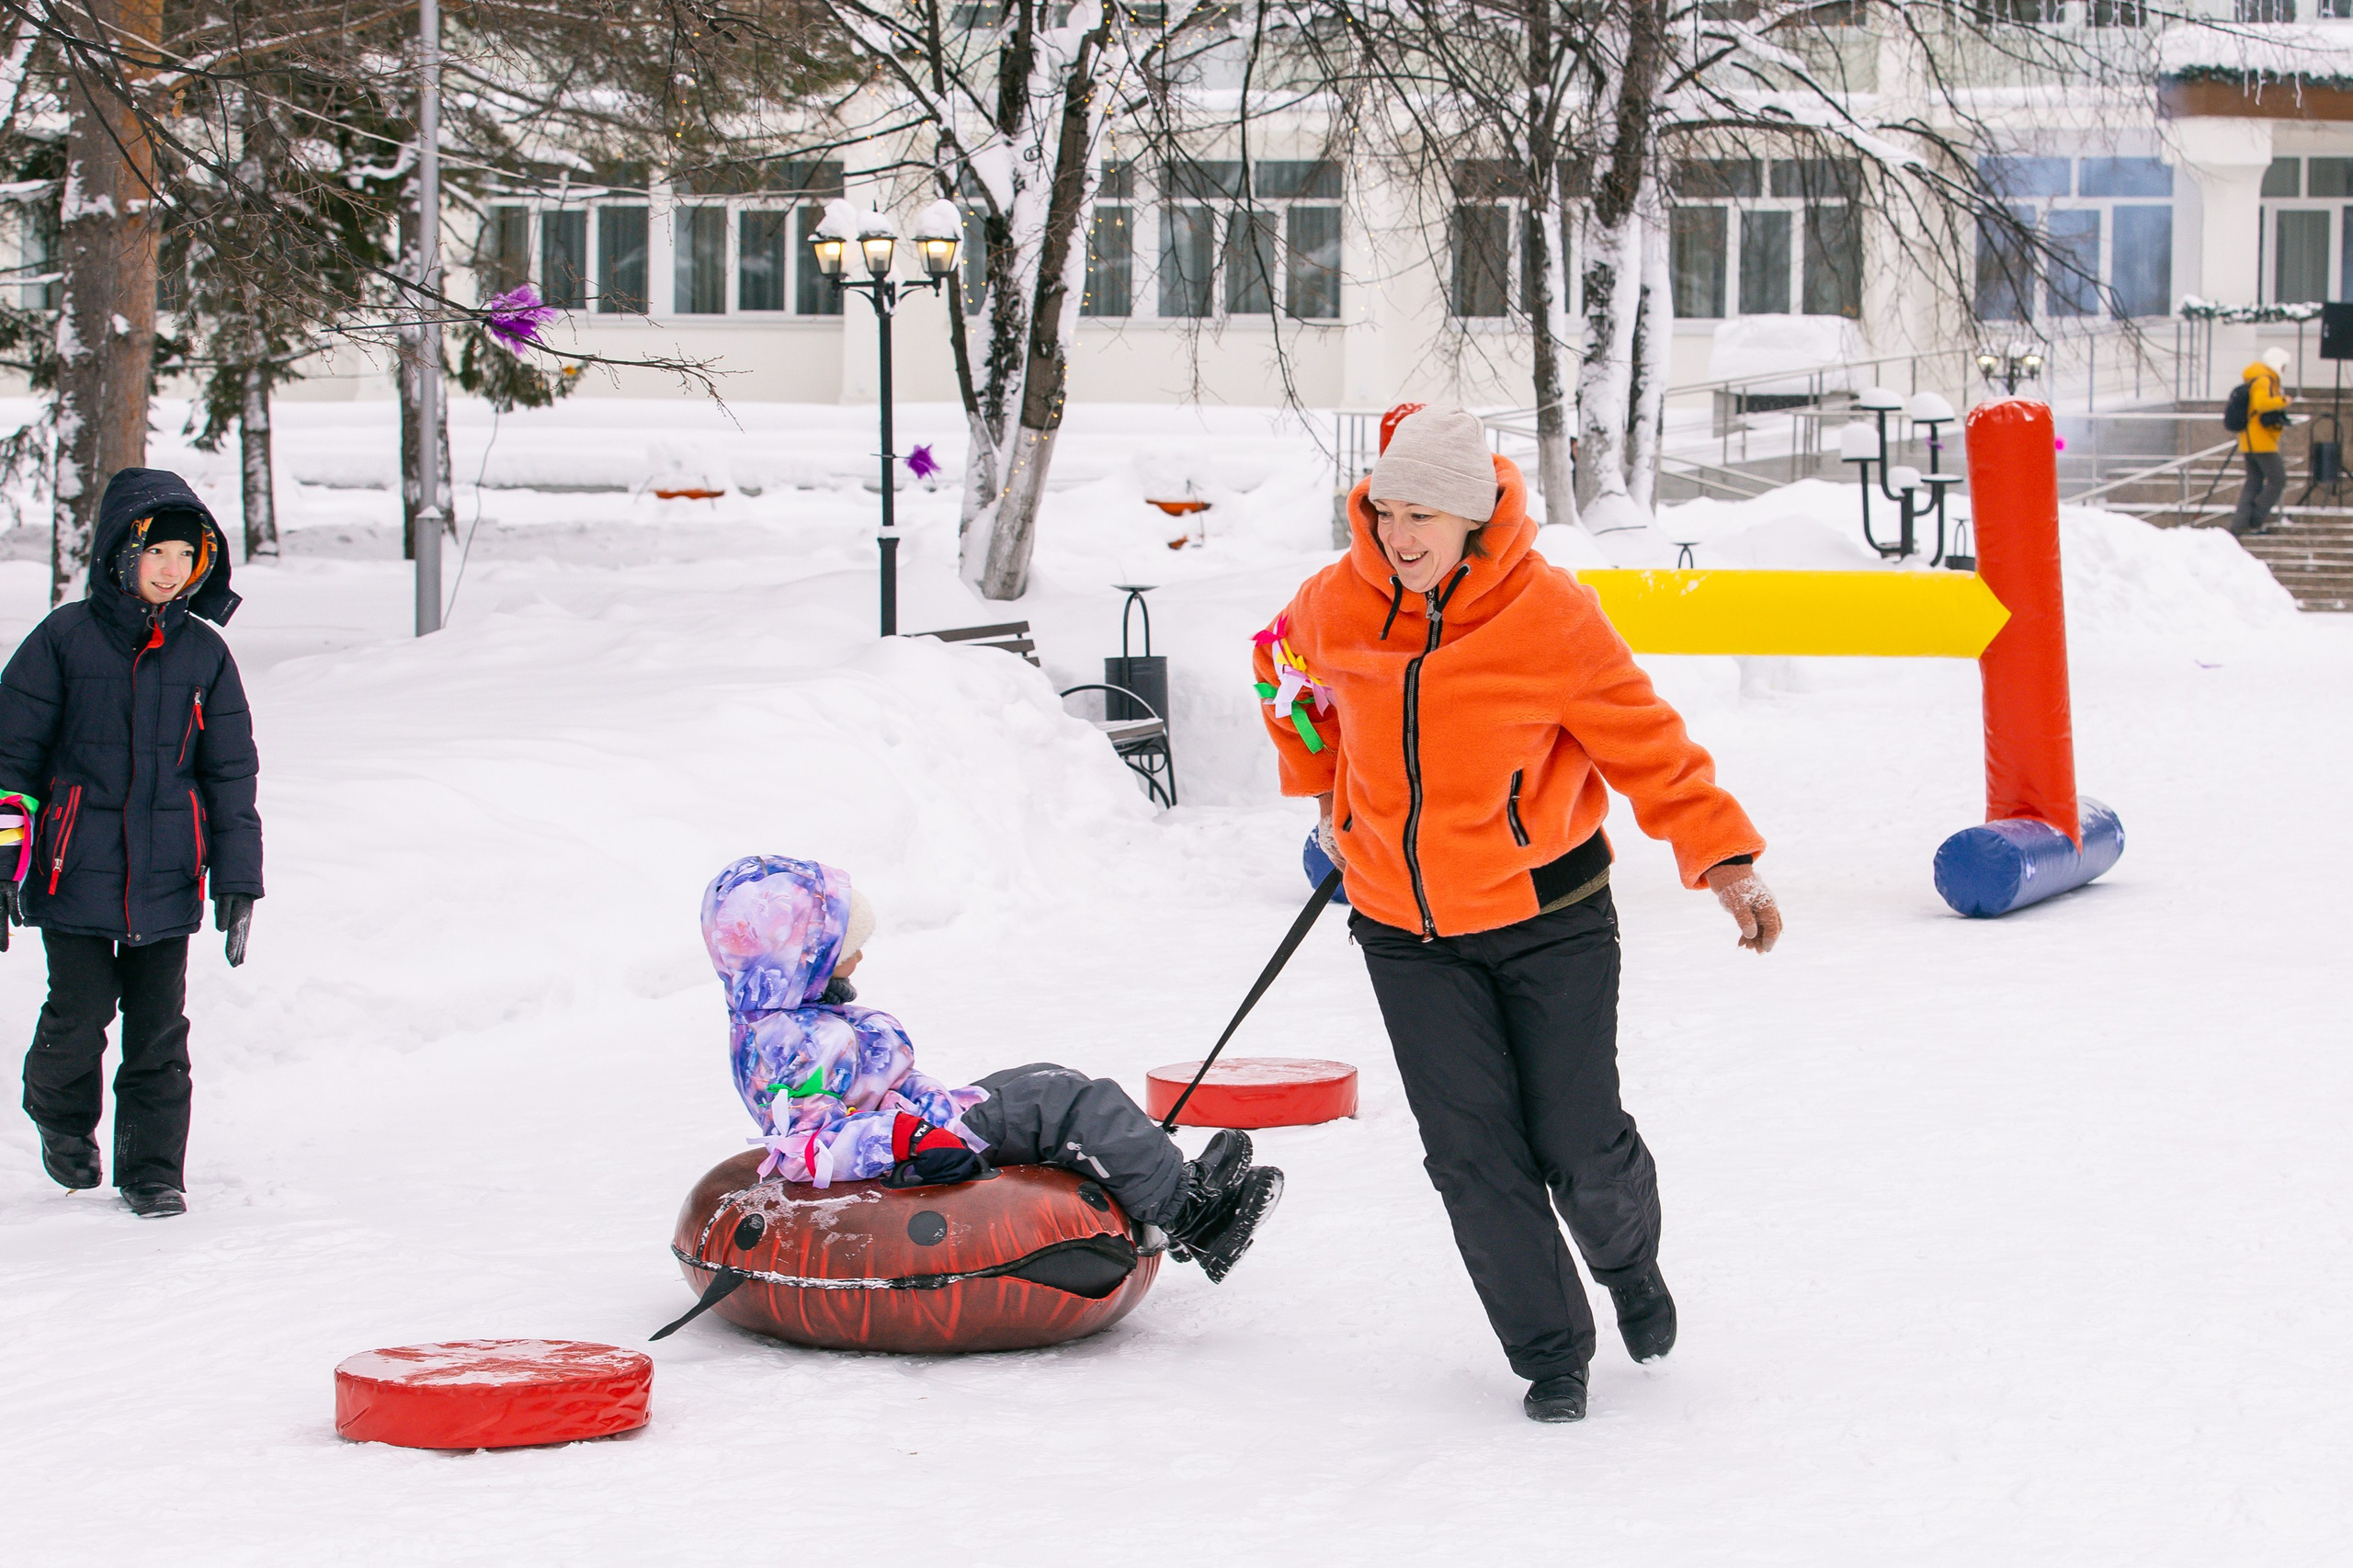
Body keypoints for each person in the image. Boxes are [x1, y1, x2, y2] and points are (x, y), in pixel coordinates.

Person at [1253, 406, 1782, 1423]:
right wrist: (1323, 787)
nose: (1399, 535)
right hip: (1403, 929)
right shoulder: (1334, 603)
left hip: (1549, 915)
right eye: (1386, 511)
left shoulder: (1548, 614)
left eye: (1422, 516)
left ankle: (1628, 1266)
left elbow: (1647, 742)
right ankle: (1550, 1353)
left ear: (1474, 517)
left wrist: (1721, 856)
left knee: (1575, 1139)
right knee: (1470, 1154)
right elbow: (1281, 672)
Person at [700, 854, 1283, 1281]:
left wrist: (928, 1105)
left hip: (925, 1126)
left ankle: (1166, 1185)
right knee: (1065, 1103)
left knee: (1048, 1075)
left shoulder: (802, 1018)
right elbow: (806, 1144)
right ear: (801, 954)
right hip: (908, 1160)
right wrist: (910, 1137)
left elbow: (871, 1089)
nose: (859, 954)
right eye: (843, 946)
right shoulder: (789, 1044)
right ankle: (1196, 1218)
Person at [0, 469, 263, 1219]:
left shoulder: (205, 655)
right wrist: (3, 863)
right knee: (78, 1015)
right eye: (157, 553)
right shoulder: (62, 640)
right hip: (72, 868)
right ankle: (58, 1115)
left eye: (186, 555)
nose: (172, 569)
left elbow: (230, 776)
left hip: (167, 874)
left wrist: (237, 878)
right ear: (122, 552)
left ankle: (151, 1171)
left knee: (159, 1032)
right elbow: (10, 762)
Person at [2232, 346, 2293, 537]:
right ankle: (2255, 518)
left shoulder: (2258, 377)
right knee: (2278, 479)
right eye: (2283, 366)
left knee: (2254, 481)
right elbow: (2261, 404)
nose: (2284, 371)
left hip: (2250, 440)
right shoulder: (2264, 379)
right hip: (2261, 441)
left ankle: (2241, 523)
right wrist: (2283, 401)